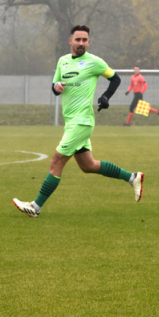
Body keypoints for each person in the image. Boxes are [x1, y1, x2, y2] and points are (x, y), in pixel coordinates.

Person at [13, 25, 144, 217]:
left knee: (57, 161)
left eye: (85, 40)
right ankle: (133, 178)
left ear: (89, 42)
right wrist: (56, 87)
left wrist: (106, 96)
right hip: (71, 122)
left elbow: (115, 79)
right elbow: (54, 85)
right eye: (78, 39)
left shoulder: (94, 62)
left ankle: (35, 207)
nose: (81, 43)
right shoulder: (62, 61)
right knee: (88, 166)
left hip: (82, 122)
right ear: (70, 41)